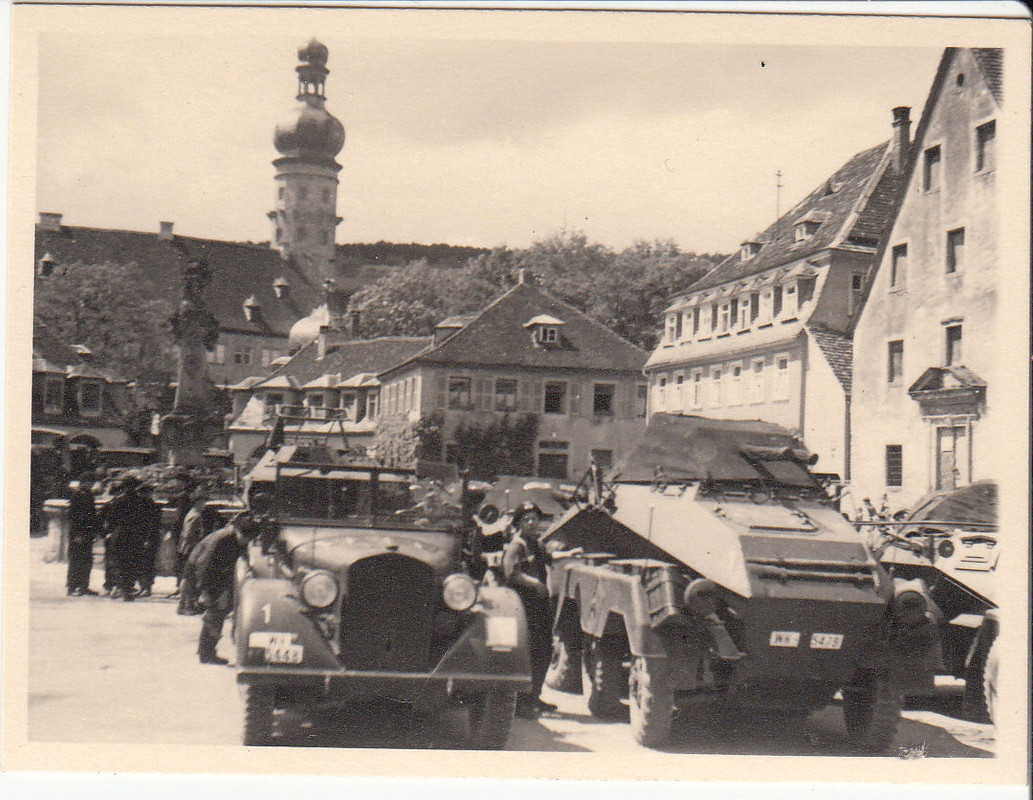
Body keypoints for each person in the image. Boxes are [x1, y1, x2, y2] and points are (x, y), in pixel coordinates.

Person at [501, 502, 559, 719]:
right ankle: (523, 702)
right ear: (518, 524)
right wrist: (535, 584)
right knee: (530, 652)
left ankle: (534, 696)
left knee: (543, 651)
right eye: (527, 519)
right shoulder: (517, 546)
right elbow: (512, 574)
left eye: (535, 518)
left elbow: (548, 559)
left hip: (538, 607)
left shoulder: (535, 543)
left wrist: (569, 552)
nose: (532, 522)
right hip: (524, 607)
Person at [193, 512, 263, 665]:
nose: (247, 543)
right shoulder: (224, 539)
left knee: (217, 615)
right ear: (241, 533)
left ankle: (206, 651)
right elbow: (204, 564)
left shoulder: (232, 538)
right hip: (208, 580)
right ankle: (207, 654)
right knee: (214, 615)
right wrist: (205, 591)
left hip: (217, 580)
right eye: (247, 539)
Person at [100, 475, 149, 601]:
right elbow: (145, 521)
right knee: (132, 562)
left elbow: (107, 518)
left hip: (119, 533)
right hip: (135, 534)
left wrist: (107, 532)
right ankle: (127, 589)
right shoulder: (141, 502)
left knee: (119, 562)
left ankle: (119, 587)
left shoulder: (117, 501)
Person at [65, 477, 98, 596]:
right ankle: (72, 586)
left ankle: (84, 586)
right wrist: (77, 534)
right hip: (78, 533)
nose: (92, 484)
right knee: (76, 560)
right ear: (84, 482)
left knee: (86, 560)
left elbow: (91, 515)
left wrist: (93, 531)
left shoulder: (88, 495)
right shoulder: (77, 495)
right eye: (90, 482)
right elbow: (73, 516)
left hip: (87, 533)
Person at [134, 482, 163, 597]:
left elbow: (153, 525)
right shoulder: (144, 506)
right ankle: (143, 586)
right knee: (141, 563)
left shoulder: (152, 507)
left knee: (147, 563)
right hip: (142, 538)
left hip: (149, 538)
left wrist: (148, 539)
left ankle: (147, 587)